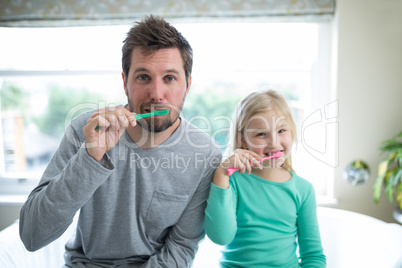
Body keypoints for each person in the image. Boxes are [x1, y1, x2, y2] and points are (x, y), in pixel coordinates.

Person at [19, 15, 222, 267]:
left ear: (187, 85)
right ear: (125, 82)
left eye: (169, 78)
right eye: (143, 77)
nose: (156, 94)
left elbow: (181, 247)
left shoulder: (206, 155)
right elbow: (31, 236)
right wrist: (89, 158)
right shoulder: (86, 129)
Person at [205, 89, 326, 267]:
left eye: (282, 130)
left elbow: (313, 256)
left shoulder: (303, 190)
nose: (274, 143)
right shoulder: (232, 182)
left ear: (292, 132)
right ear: (243, 139)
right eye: (261, 134)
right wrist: (221, 173)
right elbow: (220, 237)